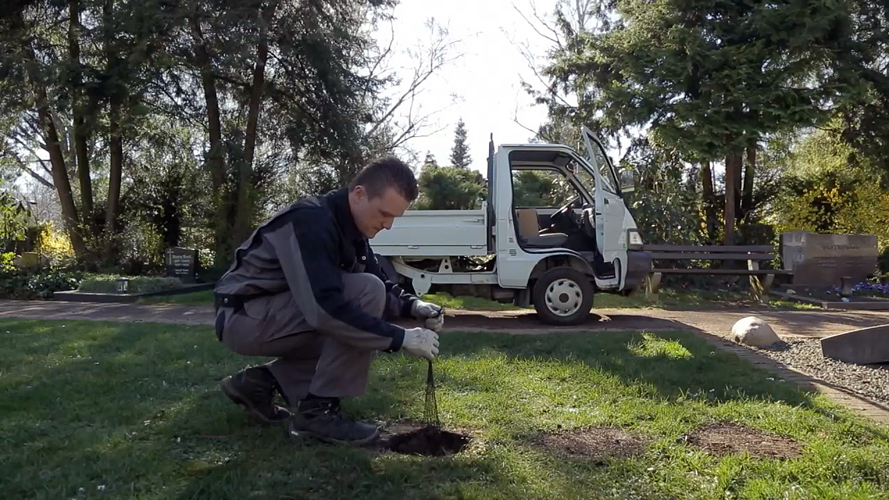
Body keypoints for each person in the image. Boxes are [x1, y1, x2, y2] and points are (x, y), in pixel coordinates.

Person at [213, 156, 443, 446]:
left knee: (363, 327)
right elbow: (323, 309)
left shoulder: (350, 227)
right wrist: (402, 338)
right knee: (362, 315)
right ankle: (317, 414)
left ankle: (258, 383)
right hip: (243, 318)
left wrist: (414, 306)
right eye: (384, 214)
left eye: (394, 217)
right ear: (359, 194)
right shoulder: (311, 221)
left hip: (268, 314)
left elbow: (379, 284)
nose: (388, 225)